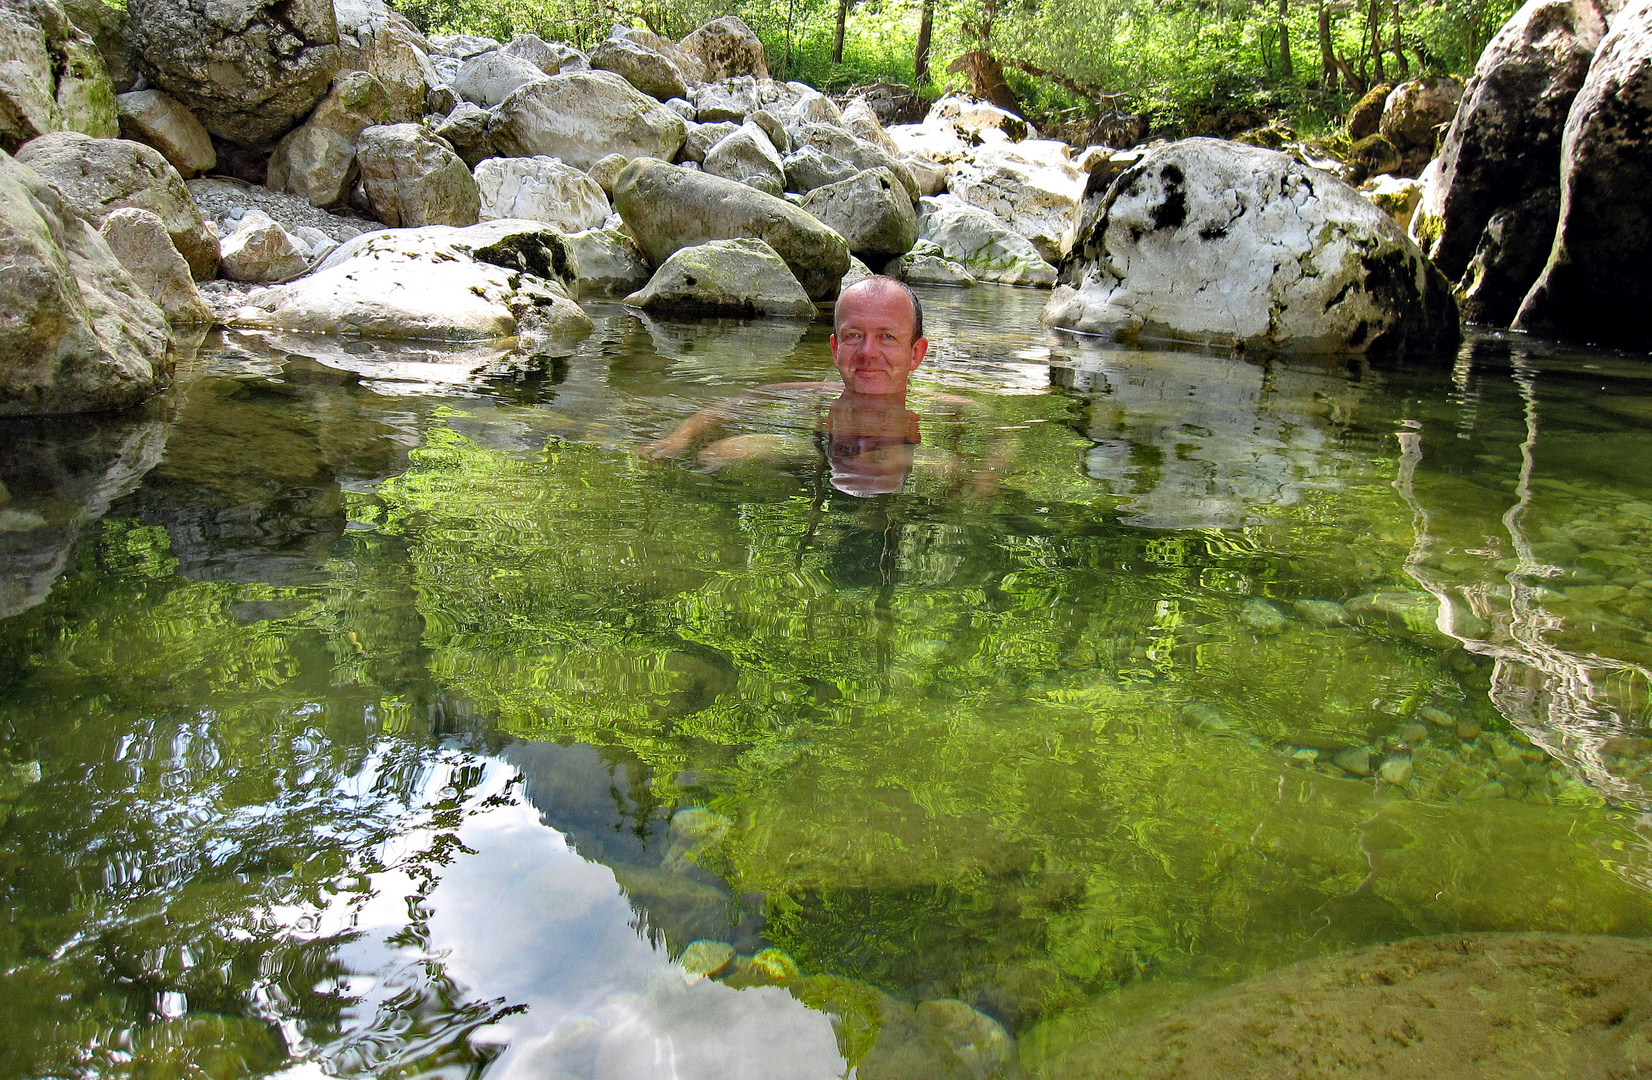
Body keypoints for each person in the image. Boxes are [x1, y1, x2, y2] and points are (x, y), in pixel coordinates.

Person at [641, 276, 972, 497]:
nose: (868, 352)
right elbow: (729, 408)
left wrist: (987, 478)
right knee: (722, 455)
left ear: (916, 353)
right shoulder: (806, 393)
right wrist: (678, 439)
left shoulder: (949, 406)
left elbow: (1002, 440)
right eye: (854, 335)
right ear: (834, 349)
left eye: (886, 336)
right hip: (799, 460)